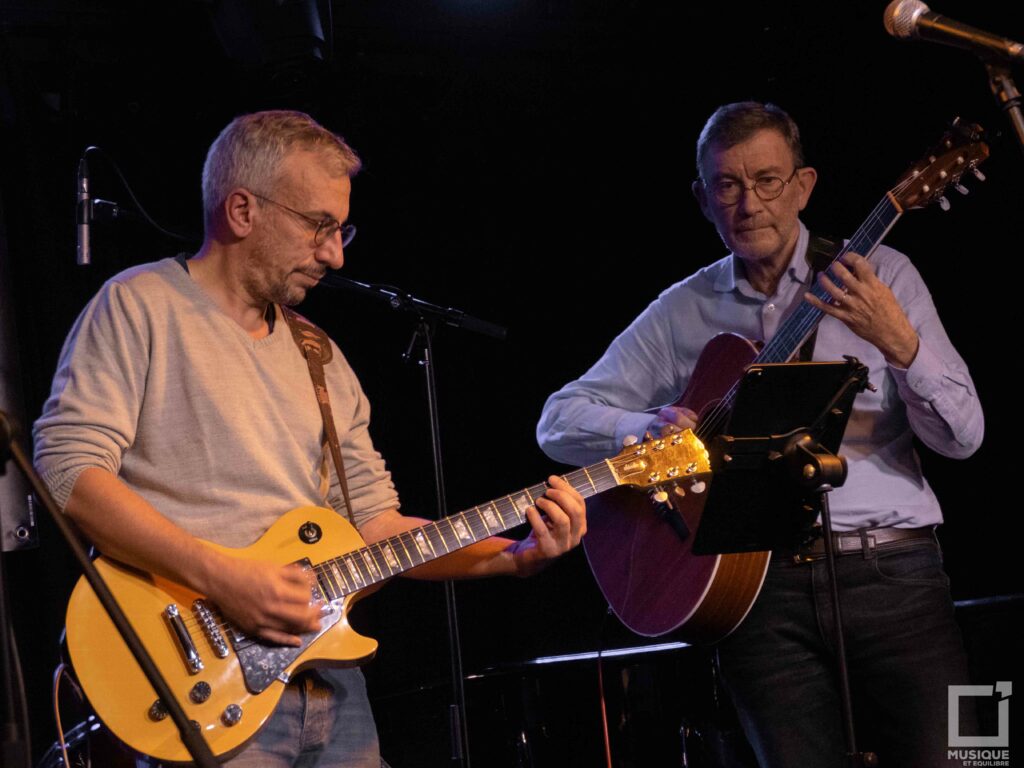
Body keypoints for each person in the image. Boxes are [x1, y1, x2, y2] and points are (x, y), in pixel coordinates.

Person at [34, 110, 586, 766]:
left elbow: (375, 528)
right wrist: (223, 576)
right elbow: (66, 470)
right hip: (203, 685)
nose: (336, 253)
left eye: (340, 228)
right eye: (319, 226)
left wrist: (515, 557)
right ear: (242, 210)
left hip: (333, 685)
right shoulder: (139, 306)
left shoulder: (319, 354)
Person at [536, 101, 982, 767]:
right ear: (702, 198)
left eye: (767, 181)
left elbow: (965, 437)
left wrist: (902, 343)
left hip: (898, 578)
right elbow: (559, 420)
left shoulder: (886, 276)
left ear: (803, 185)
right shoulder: (681, 309)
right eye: (727, 185)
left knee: (977, 755)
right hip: (755, 599)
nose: (748, 204)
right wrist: (649, 426)